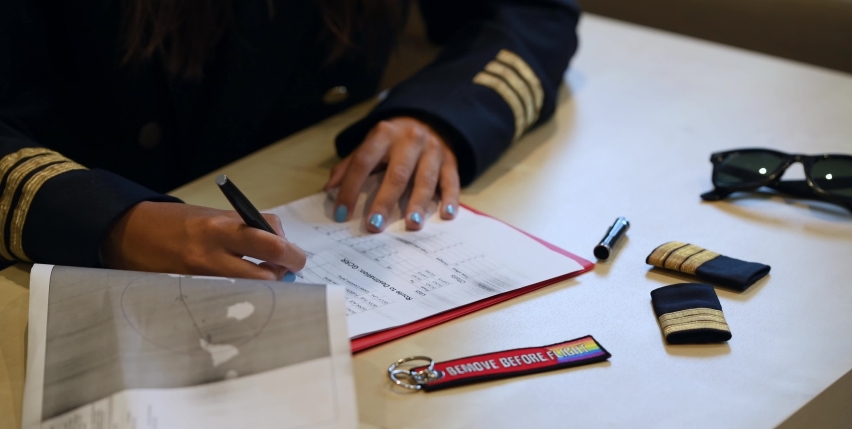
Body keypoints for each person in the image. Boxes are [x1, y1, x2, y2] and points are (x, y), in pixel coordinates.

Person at [0, 0, 580, 280]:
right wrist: (109, 222)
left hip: (304, 197)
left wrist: (442, 115)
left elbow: (532, 9)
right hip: (50, 263)